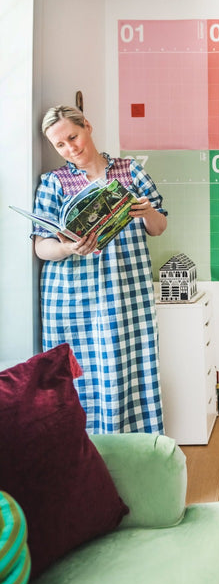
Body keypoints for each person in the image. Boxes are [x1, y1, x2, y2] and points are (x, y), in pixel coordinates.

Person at [32, 105, 167, 434]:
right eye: (60, 145)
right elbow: (41, 246)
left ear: (87, 127)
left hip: (125, 291)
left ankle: (134, 459)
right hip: (71, 298)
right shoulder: (53, 183)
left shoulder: (129, 171)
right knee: (79, 379)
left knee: (131, 370)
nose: (70, 148)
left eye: (73, 137)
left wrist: (147, 211)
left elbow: (159, 226)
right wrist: (66, 246)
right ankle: (84, 463)